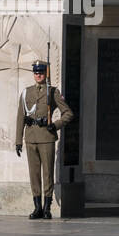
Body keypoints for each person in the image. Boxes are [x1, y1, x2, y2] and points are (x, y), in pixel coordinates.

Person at [14, 60, 73, 220]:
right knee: (34, 174)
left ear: (45, 74)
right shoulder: (26, 92)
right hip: (31, 138)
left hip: (46, 137)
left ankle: (47, 208)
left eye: (41, 72)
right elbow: (21, 117)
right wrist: (18, 140)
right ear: (33, 74)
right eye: (36, 72)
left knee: (47, 173)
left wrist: (55, 125)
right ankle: (37, 207)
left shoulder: (52, 92)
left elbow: (68, 113)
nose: (38, 75)